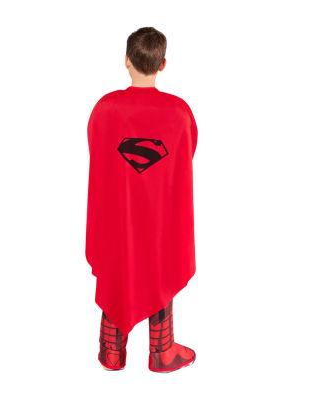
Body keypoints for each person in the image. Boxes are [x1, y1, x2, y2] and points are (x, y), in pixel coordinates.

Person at [86, 27, 198, 373]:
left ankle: (112, 351)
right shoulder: (179, 112)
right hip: (161, 213)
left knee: (117, 264)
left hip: (118, 212)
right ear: (162, 64)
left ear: (126, 60)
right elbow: (186, 154)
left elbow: (96, 150)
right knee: (161, 265)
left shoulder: (105, 108)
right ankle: (162, 351)